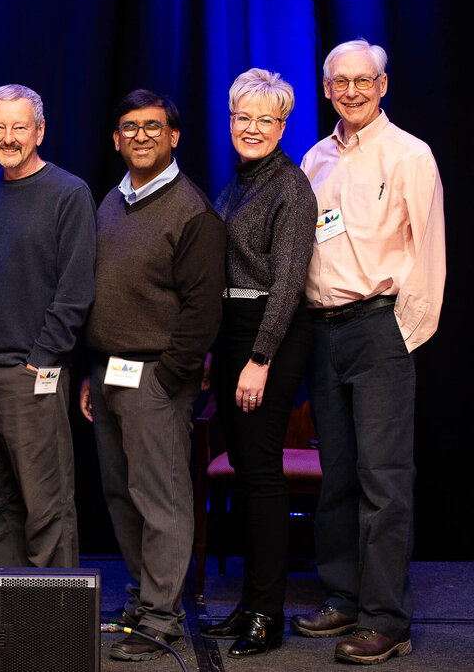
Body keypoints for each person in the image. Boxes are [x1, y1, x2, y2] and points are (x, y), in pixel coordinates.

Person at [291, 39, 445, 665]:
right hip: (324, 330)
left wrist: (398, 337)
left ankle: (387, 619)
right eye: (339, 82)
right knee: (340, 477)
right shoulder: (315, 158)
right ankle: (344, 596)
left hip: (381, 327)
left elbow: (428, 255)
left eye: (363, 80)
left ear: (383, 85)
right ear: (326, 89)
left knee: (384, 480)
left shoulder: (410, 154)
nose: (351, 91)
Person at [79, 89, 225, 662]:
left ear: (174, 137)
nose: (141, 137)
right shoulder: (112, 201)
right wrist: (94, 369)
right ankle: (144, 600)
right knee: (122, 494)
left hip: (156, 377)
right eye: (129, 128)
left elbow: (203, 309)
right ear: (116, 139)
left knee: (160, 498)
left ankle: (164, 619)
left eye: (153, 127)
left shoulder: (191, 211)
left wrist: (169, 378)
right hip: (108, 370)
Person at [199, 69, 316, 657]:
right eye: (242, 117)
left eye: (264, 120)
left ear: (282, 126)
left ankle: (268, 616)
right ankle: (248, 604)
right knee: (246, 475)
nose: (251, 128)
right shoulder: (241, 181)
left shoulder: (291, 188)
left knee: (263, 477)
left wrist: (260, 359)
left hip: (268, 336)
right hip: (233, 332)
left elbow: (289, 284)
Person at [0, 84, 95, 569]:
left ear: (40, 130)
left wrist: (42, 360)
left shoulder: (69, 193)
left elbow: (76, 289)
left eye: (20, 126)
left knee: (47, 506)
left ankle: (55, 625)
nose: (9, 136)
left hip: (32, 374)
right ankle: (16, 615)